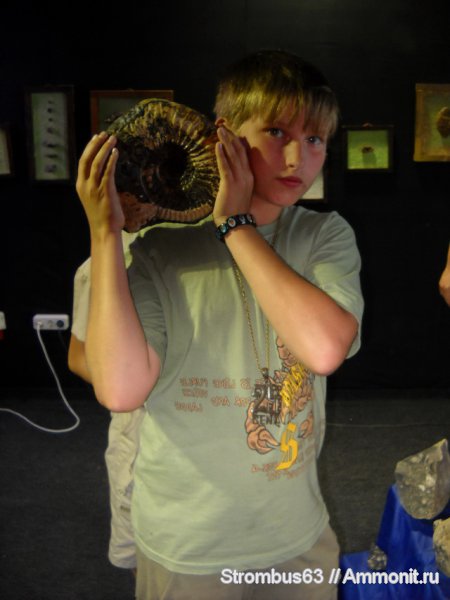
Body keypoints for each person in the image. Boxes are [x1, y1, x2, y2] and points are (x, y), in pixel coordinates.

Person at [75, 49, 364, 599]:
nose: (297, 158)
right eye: (277, 132)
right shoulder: (159, 249)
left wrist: (235, 225)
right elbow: (120, 389)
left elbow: (324, 349)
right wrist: (105, 234)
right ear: (224, 133)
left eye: (315, 139)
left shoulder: (323, 236)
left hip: (295, 535)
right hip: (189, 544)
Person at [68, 232, 146, 573]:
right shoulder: (109, 261)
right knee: (145, 549)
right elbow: (78, 357)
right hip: (142, 433)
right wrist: (135, 385)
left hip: (218, 435)